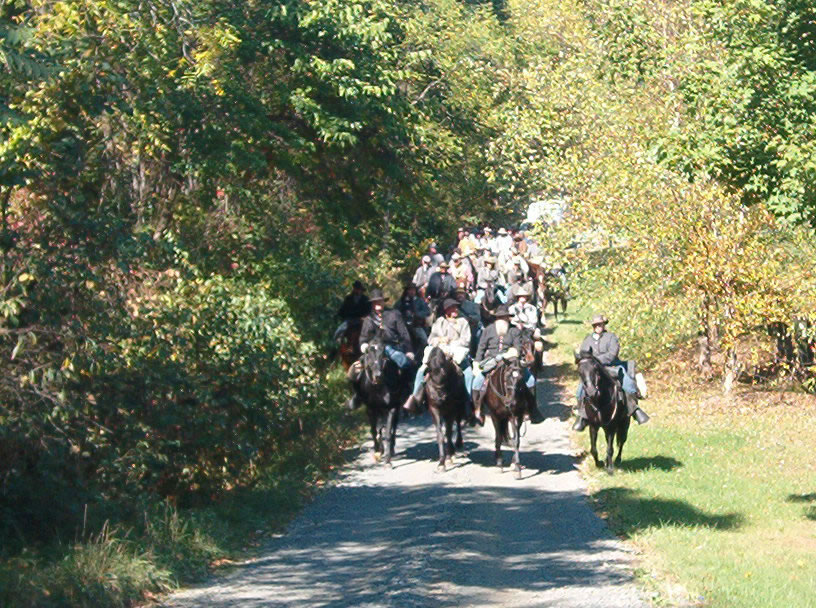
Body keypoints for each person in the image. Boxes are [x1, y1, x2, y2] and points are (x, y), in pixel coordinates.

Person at [573, 314, 650, 430]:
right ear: (593, 326)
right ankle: (582, 415)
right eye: (595, 325)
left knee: (628, 383)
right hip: (594, 370)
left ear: (604, 325)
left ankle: (634, 409)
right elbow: (584, 355)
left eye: (600, 324)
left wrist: (596, 360)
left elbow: (613, 354)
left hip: (612, 367)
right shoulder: (587, 340)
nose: (598, 327)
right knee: (581, 389)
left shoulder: (611, 337)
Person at [471, 305, 544, 425]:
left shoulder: (514, 330)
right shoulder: (488, 330)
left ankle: (532, 409)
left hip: (511, 361)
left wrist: (511, 354)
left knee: (530, 380)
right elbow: (481, 348)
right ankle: (478, 411)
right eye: (500, 317)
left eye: (505, 317)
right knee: (476, 383)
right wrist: (477, 363)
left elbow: (518, 347)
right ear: (496, 319)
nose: (503, 320)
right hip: (491, 361)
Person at [346, 288, 416, 410]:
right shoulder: (368, 319)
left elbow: (404, 334)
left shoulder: (394, 314)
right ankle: (358, 396)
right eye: (375, 302)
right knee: (355, 369)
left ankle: (410, 394)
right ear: (372, 304)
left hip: (392, 346)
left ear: (383, 302)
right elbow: (363, 338)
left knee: (407, 364)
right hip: (373, 349)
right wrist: (364, 346)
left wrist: (409, 350)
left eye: (379, 301)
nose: (377, 305)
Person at [405, 298, 473, 417]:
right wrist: (440, 340)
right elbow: (431, 339)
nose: (455, 310)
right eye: (452, 308)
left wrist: (451, 342)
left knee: (469, 373)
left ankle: (468, 402)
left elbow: (466, 340)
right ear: (446, 310)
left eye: (456, 307)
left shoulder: (463, 322)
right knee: (421, 371)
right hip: (439, 352)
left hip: (457, 352)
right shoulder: (439, 322)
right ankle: (415, 399)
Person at [396, 283, 431, 349]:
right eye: (410, 290)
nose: (412, 292)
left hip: (417, 326)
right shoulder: (401, 301)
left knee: (424, 340)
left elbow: (427, 312)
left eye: (413, 290)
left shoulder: (419, 301)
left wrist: (417, 314)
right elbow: (395, 311)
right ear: (407, 291)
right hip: (404, 327)